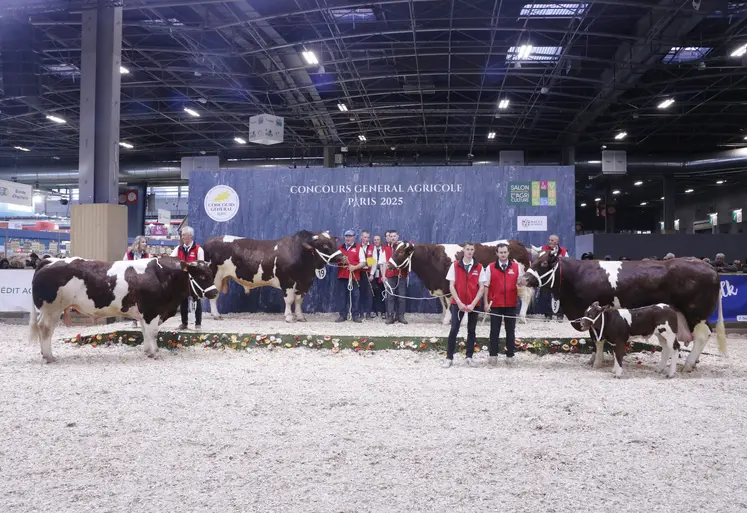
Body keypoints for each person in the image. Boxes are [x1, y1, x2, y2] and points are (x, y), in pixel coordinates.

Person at [441, 242, 484, 368]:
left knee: (471, 331)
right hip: (457, 304)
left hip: (473, 304)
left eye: (472, 249)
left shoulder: (479, 267)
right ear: (463, 251)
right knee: (454, 329)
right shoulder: (455, 265)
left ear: (474, 251)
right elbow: (451, 285)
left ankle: (469, 357)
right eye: (467, 249)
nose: (470, 251)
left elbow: (481, 288)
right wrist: (458, 302)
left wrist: (473, 304)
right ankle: (449, 357)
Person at [483, 242, 519, 366]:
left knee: (510, 331)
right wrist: (486, 303)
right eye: (501, 252)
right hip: (496, 304)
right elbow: (486, 286)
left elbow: (520, 284)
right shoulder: (490, 267)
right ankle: (493, 356)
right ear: (497, 253)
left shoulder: (516, 267)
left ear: (508, 253)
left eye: (505, 252)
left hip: (511, 304)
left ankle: (510, 356)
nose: (503, 254)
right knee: (494, 331)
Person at [170, 226, 205, 330]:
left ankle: (198, 323)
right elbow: (172, 260)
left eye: (184, 235)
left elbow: (201, 265)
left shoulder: (199, 249)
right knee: (183, 302)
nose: (183, 237)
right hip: (182, 280)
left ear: (190, 236)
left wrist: (192, 265)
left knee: (196, 301)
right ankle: (184, 323)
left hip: (194, 281)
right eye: (182, 235)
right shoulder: (178, 248)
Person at [380, 229, 408, 324]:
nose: (392, 238)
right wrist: (383, 276)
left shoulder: (403, 248)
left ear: (398, 237)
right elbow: (383, 263)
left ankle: (400, 316)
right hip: (390, 275)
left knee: (401, 297)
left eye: (394, 236)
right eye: (391, 236)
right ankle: (390, 316)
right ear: (388, 238)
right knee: (390, 296)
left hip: (401, 275)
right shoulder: (385, 249)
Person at [540, 234, 569, 321]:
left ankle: (560, 315)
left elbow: (567, 263)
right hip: (546, 278)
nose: (550, 242)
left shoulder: (563, 251)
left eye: (552, 240)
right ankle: (548, 315)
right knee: (545, 296)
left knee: (559, 296)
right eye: (549, 240)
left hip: (558, 278)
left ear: (557, 241)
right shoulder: (544, 249)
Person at [336, 230, 363, 323]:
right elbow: (335, 260)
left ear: (354, 237)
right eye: (346, 236)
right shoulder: (339, 248)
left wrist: (354, 267)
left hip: (354, 276)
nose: (348, 238)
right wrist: (341, 261)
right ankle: (343, 315)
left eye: (350, 236)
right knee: (342, 296)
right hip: (342, 276)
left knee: (355, 296)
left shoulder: (359, 248)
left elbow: (363, 262)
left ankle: (355, 315)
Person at [365, 234, 386, 318]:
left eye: (378, 239)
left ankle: (383, 311)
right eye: (375, 240)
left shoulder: (384, 249)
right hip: (373, 274)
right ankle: (374, 310)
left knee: (383, 292)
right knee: (373, 293)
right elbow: (371, 263)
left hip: (382, 274)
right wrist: (371, 273)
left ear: (381, 240)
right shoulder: (370, 249)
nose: (376, 241)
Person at [357, 230, 374, 319]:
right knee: (359, 293)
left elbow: (373, 261)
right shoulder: (357, 247)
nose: (366, 239)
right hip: (359, 272)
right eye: (365, 237)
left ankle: (367, 312)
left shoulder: (372, 247)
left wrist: (372, 274)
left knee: (368, 294)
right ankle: (359, 312)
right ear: (361, 237)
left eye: (368, 237)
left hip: (368, 273)